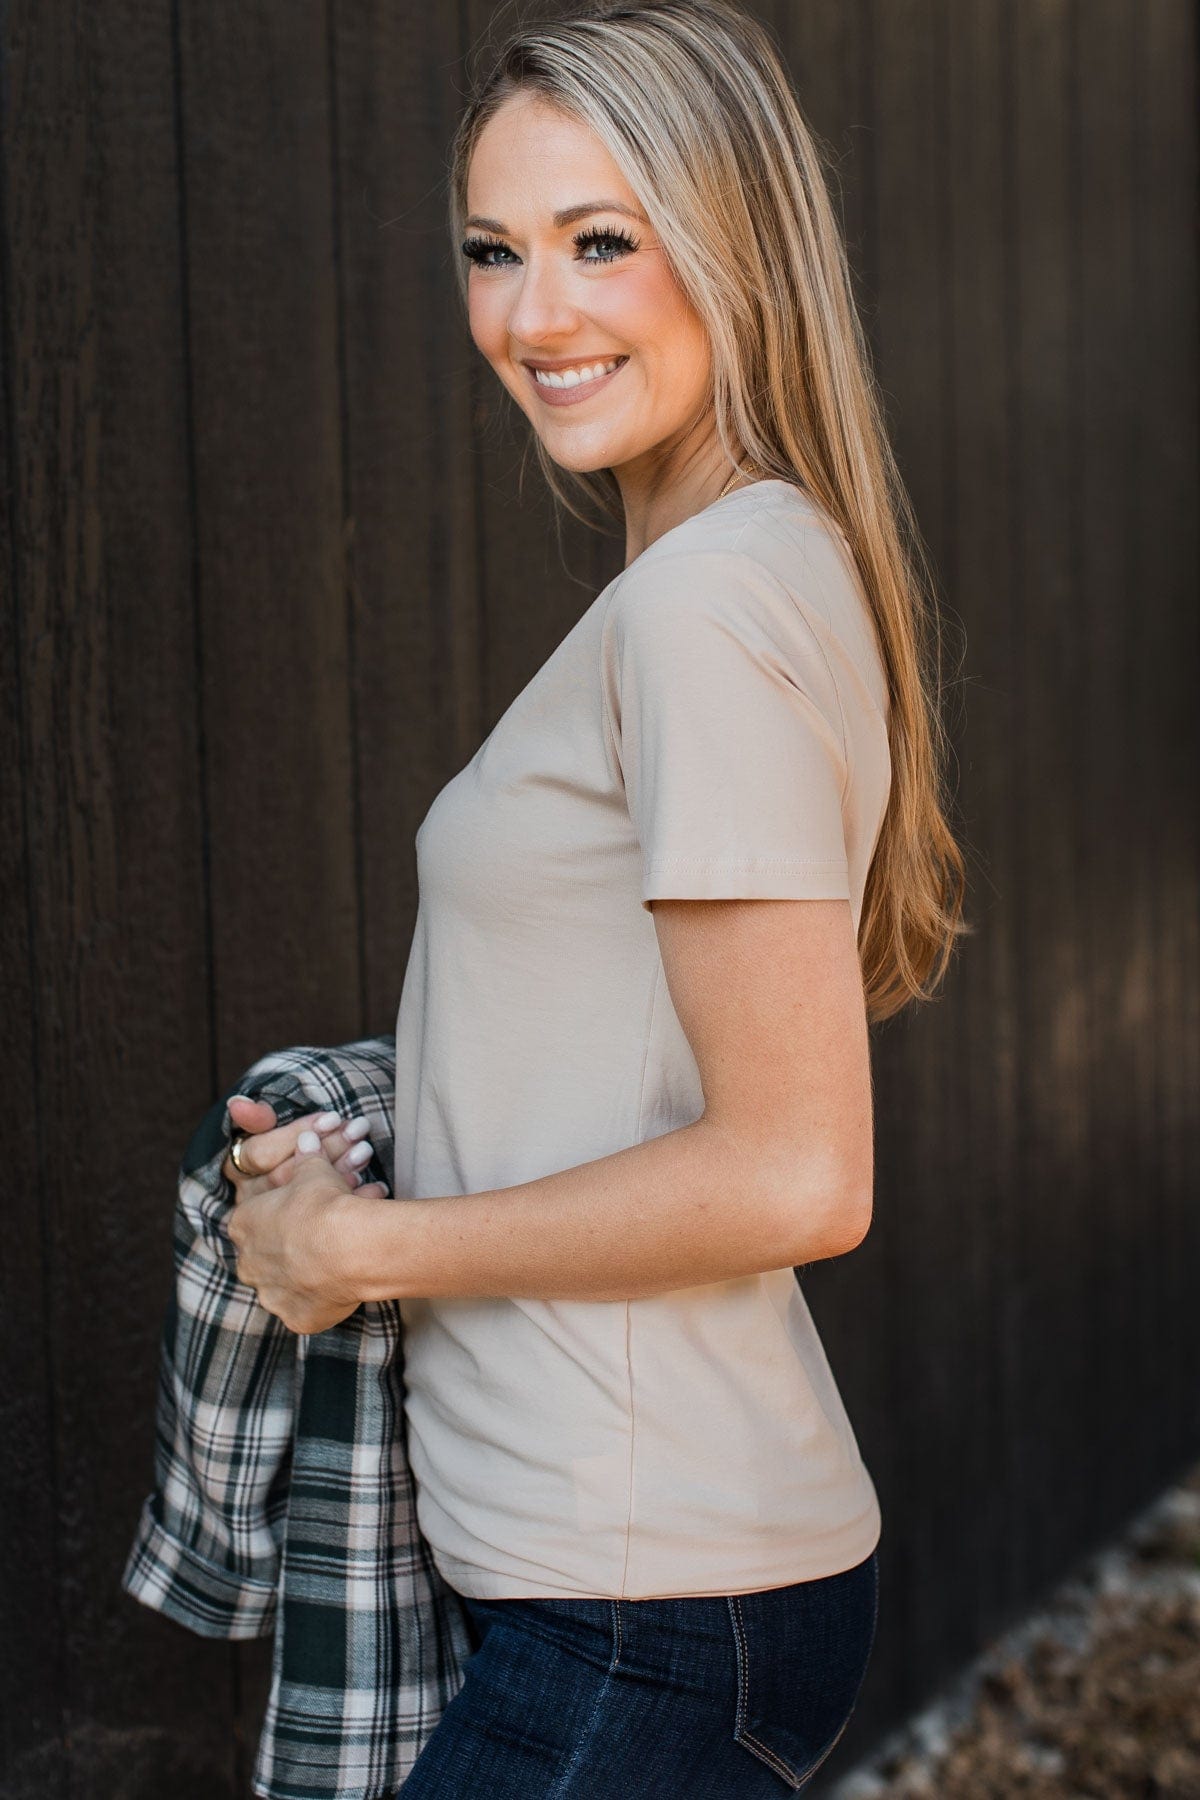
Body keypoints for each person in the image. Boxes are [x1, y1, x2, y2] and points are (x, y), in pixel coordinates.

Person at [220, 0, 969, 1791]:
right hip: (630, 1574)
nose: (534, 316)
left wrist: (361, 1254)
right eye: (494, 251)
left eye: (601, 242)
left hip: (649, 1603)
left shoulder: (702, 611)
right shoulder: (747, 563)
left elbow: (799, 1170)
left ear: (736, 242)